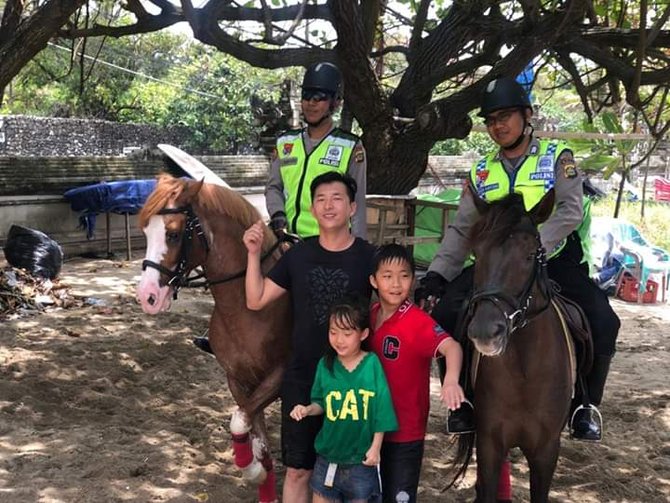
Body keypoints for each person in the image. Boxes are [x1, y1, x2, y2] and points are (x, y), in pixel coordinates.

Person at [415, 76, 620, 442]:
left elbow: (570, 211)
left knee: (604, 320)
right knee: (446, 314)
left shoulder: (558, 157)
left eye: (505, 116)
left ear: (527, 116)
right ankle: (464, 405)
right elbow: (463, 229)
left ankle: (584, 406)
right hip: (494, 264)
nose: (498, 126)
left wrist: (532, 245)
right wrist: (437, 275)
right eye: (491, 120)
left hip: (551, 256)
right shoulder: (481, 171)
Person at [244, 171, 376, 503]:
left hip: (352, 381)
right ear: (312, 210)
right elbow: (255, 299)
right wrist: (252, 253)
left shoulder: (368, 257)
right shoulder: (297, 256)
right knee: (299, 469)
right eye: (321, 199)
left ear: (352, 208)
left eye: (337, 199)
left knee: (352, 467)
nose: (328, 205)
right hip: (303, 377)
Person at [367, 243, 469, 503]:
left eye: (404, 275)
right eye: (387, 276)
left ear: (413, 280)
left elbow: (452, 347)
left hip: (405, 432)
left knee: (399, 497)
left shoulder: (417, 321)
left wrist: (451, 380)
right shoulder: (370, 316)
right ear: (374, 280)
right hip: (368, 428)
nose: (396, 283)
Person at [290, 294, 398, 503]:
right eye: (333, 332)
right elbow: (320, 402)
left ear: (363, 334)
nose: (339, 340)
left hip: (361, 463)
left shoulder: (371, 364)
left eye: (347, 333)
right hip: (326, 459)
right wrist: (307, 409)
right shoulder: (325, 364)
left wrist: (376, 448)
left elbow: (381, 409)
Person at [265, 61, 368, 240]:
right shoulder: (285, 142)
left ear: (335, 103)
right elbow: (274, 187)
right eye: (306, 95)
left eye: (319, 97)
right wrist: (277, 215)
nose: (311, 103)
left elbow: (357, 203)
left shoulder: (350, 146)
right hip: (287, 241)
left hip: (329, 245)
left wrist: (359, 250)